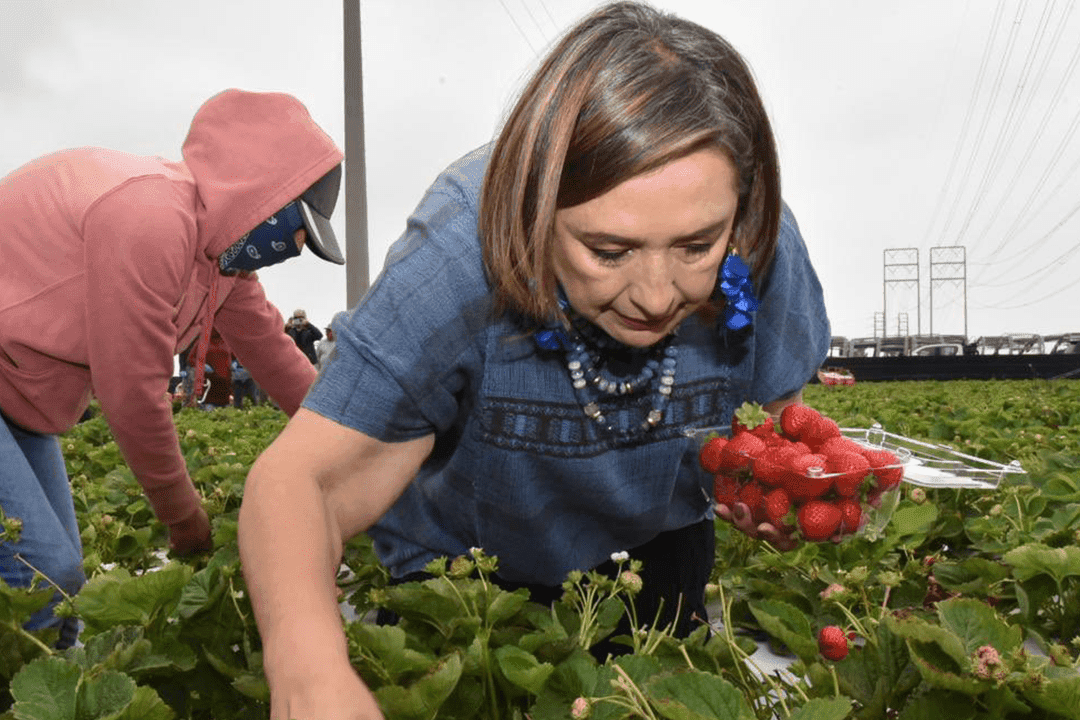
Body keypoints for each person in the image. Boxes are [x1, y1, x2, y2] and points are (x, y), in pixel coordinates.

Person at [237, 3, 830, 718]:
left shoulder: (760, 241)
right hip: (469, 579)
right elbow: (304, 481)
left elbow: (767, 422)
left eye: (696, 247)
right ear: (536, 205)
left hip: (657, 557)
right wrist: (310, 669)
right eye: (607, 251)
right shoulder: (464, 250)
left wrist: (766, 483)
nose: (653, 294)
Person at [0, 88, 346, 647]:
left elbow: (276, 357)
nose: (300, 246)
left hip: (20, 401)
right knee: (40, 575)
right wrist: (182, 516)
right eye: (299, 225)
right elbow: (132, 391)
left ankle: (58, 695)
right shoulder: (151, 219)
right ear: (258, 196)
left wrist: (354, 442)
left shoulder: (220, 266)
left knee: (63, 588)